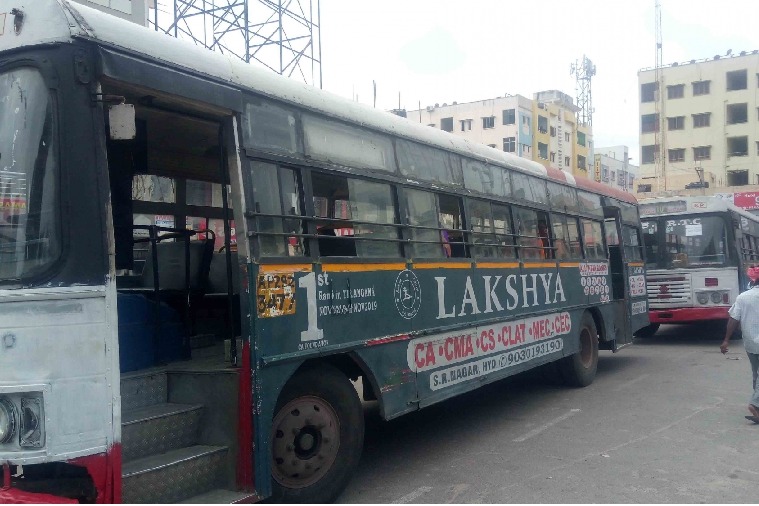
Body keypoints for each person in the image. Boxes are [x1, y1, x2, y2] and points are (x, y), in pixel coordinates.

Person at [721, 266, 759, 423]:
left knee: (756, 373)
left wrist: (726, 340)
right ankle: (755, 404)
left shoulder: (743, 297)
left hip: (751, 343)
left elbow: (733, 319)